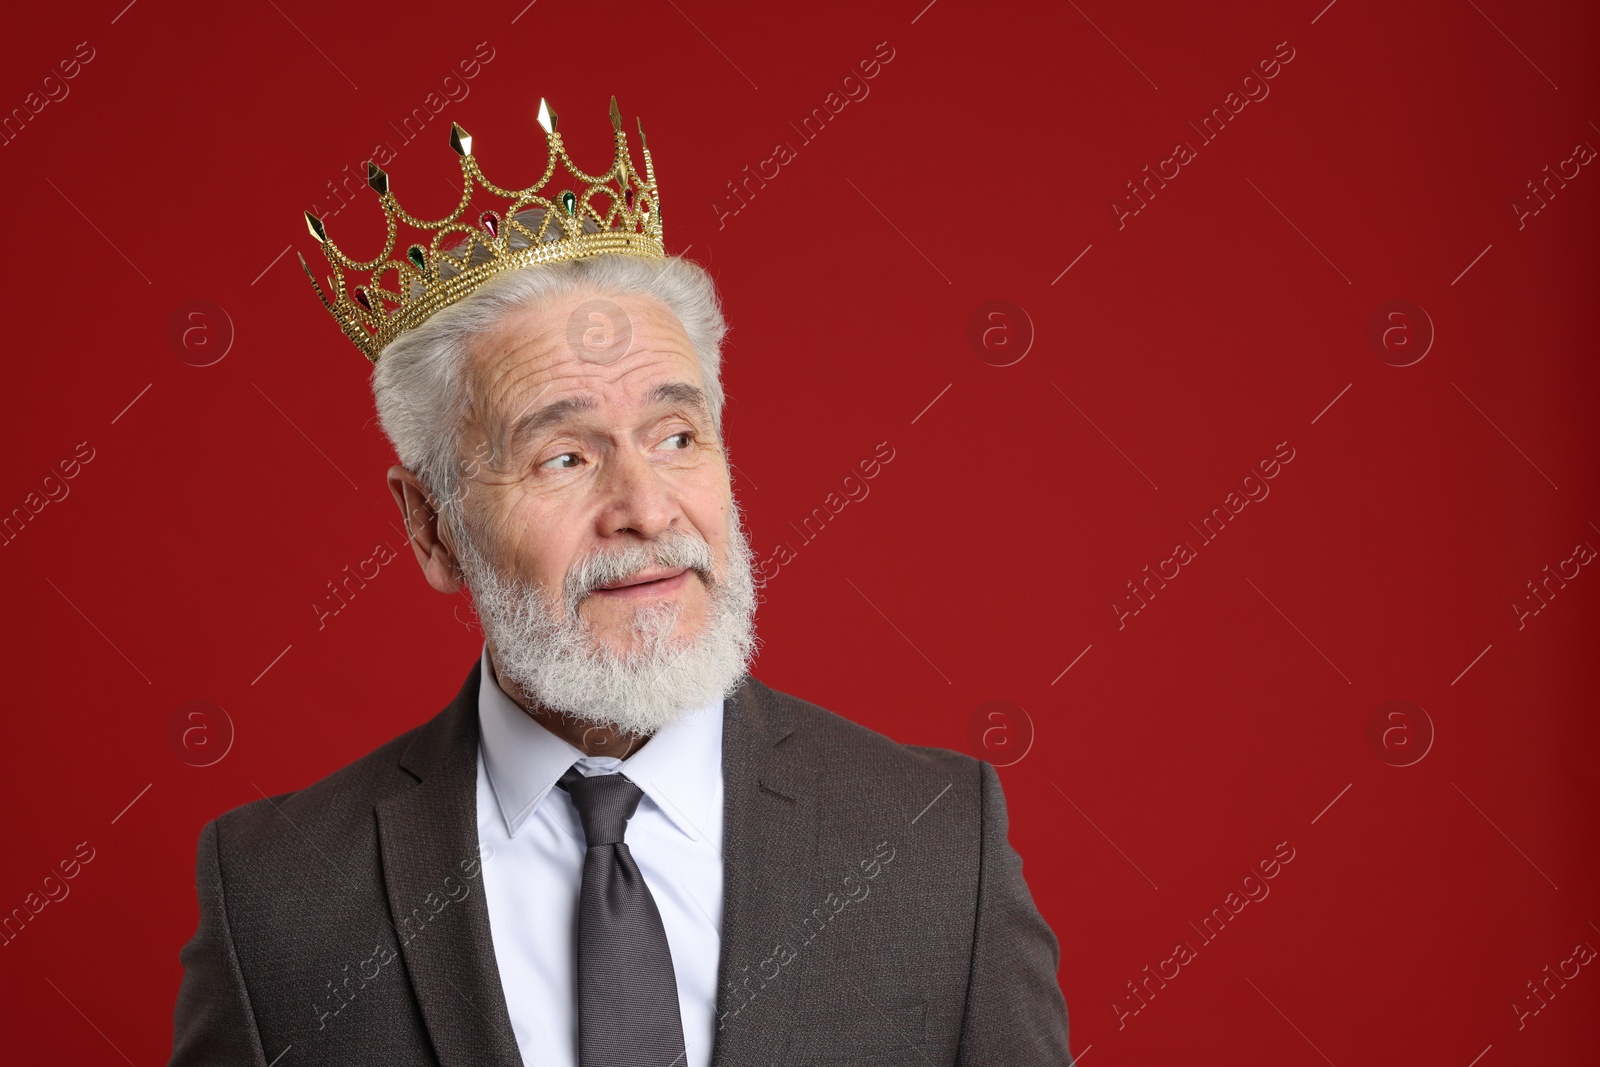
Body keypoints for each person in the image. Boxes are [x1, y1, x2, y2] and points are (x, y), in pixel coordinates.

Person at [169, 96, 1072, 1067]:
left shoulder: (939, 846)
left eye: (676, 436)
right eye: (563, 456)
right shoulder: (276, 892)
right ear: (430, 525)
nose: (646, 507)